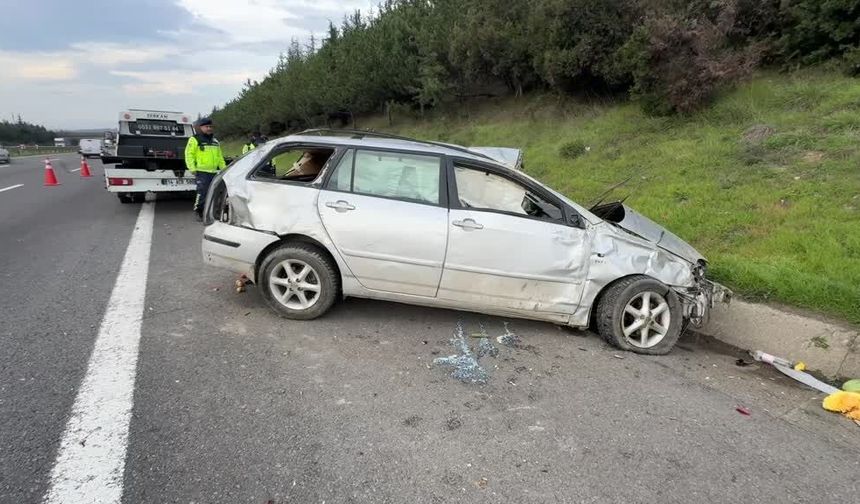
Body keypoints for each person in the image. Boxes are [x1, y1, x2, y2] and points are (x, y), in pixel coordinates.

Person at [185, 117, 226, 221]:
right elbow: (189, 155)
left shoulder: (215, 141)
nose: (209, 128)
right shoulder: (194, 139)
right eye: (206, 126)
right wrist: (192, 168)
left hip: (214, 172)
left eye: (210, 127)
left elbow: (220, 157)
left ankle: (212, 213)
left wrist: (224, 169)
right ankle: (199, 212)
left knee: (215, 193)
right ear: (201, 127)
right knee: (202, 193)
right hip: (202, 172)